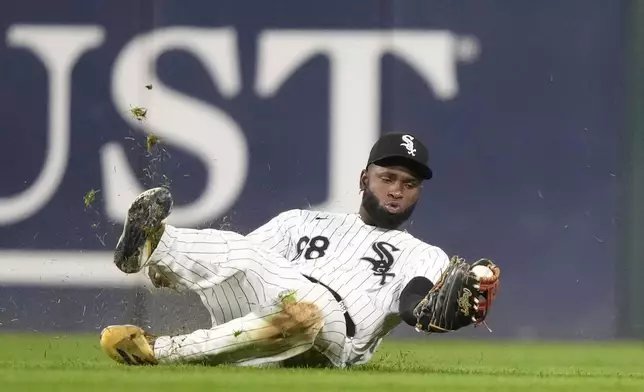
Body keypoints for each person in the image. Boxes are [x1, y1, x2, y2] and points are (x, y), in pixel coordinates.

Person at [99, 132, 500, 368]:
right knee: (246, 256)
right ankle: (154, 248)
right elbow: (240, 261)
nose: (397, 190)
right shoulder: (301, 221)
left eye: (409, 184)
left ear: (419, 192)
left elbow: (416, 304)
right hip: (265, 313)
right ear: (364, 178)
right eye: (387, 177)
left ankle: (160, 344)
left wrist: (440, 310)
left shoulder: (424, 254)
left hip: (335, 335)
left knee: (307, 310)